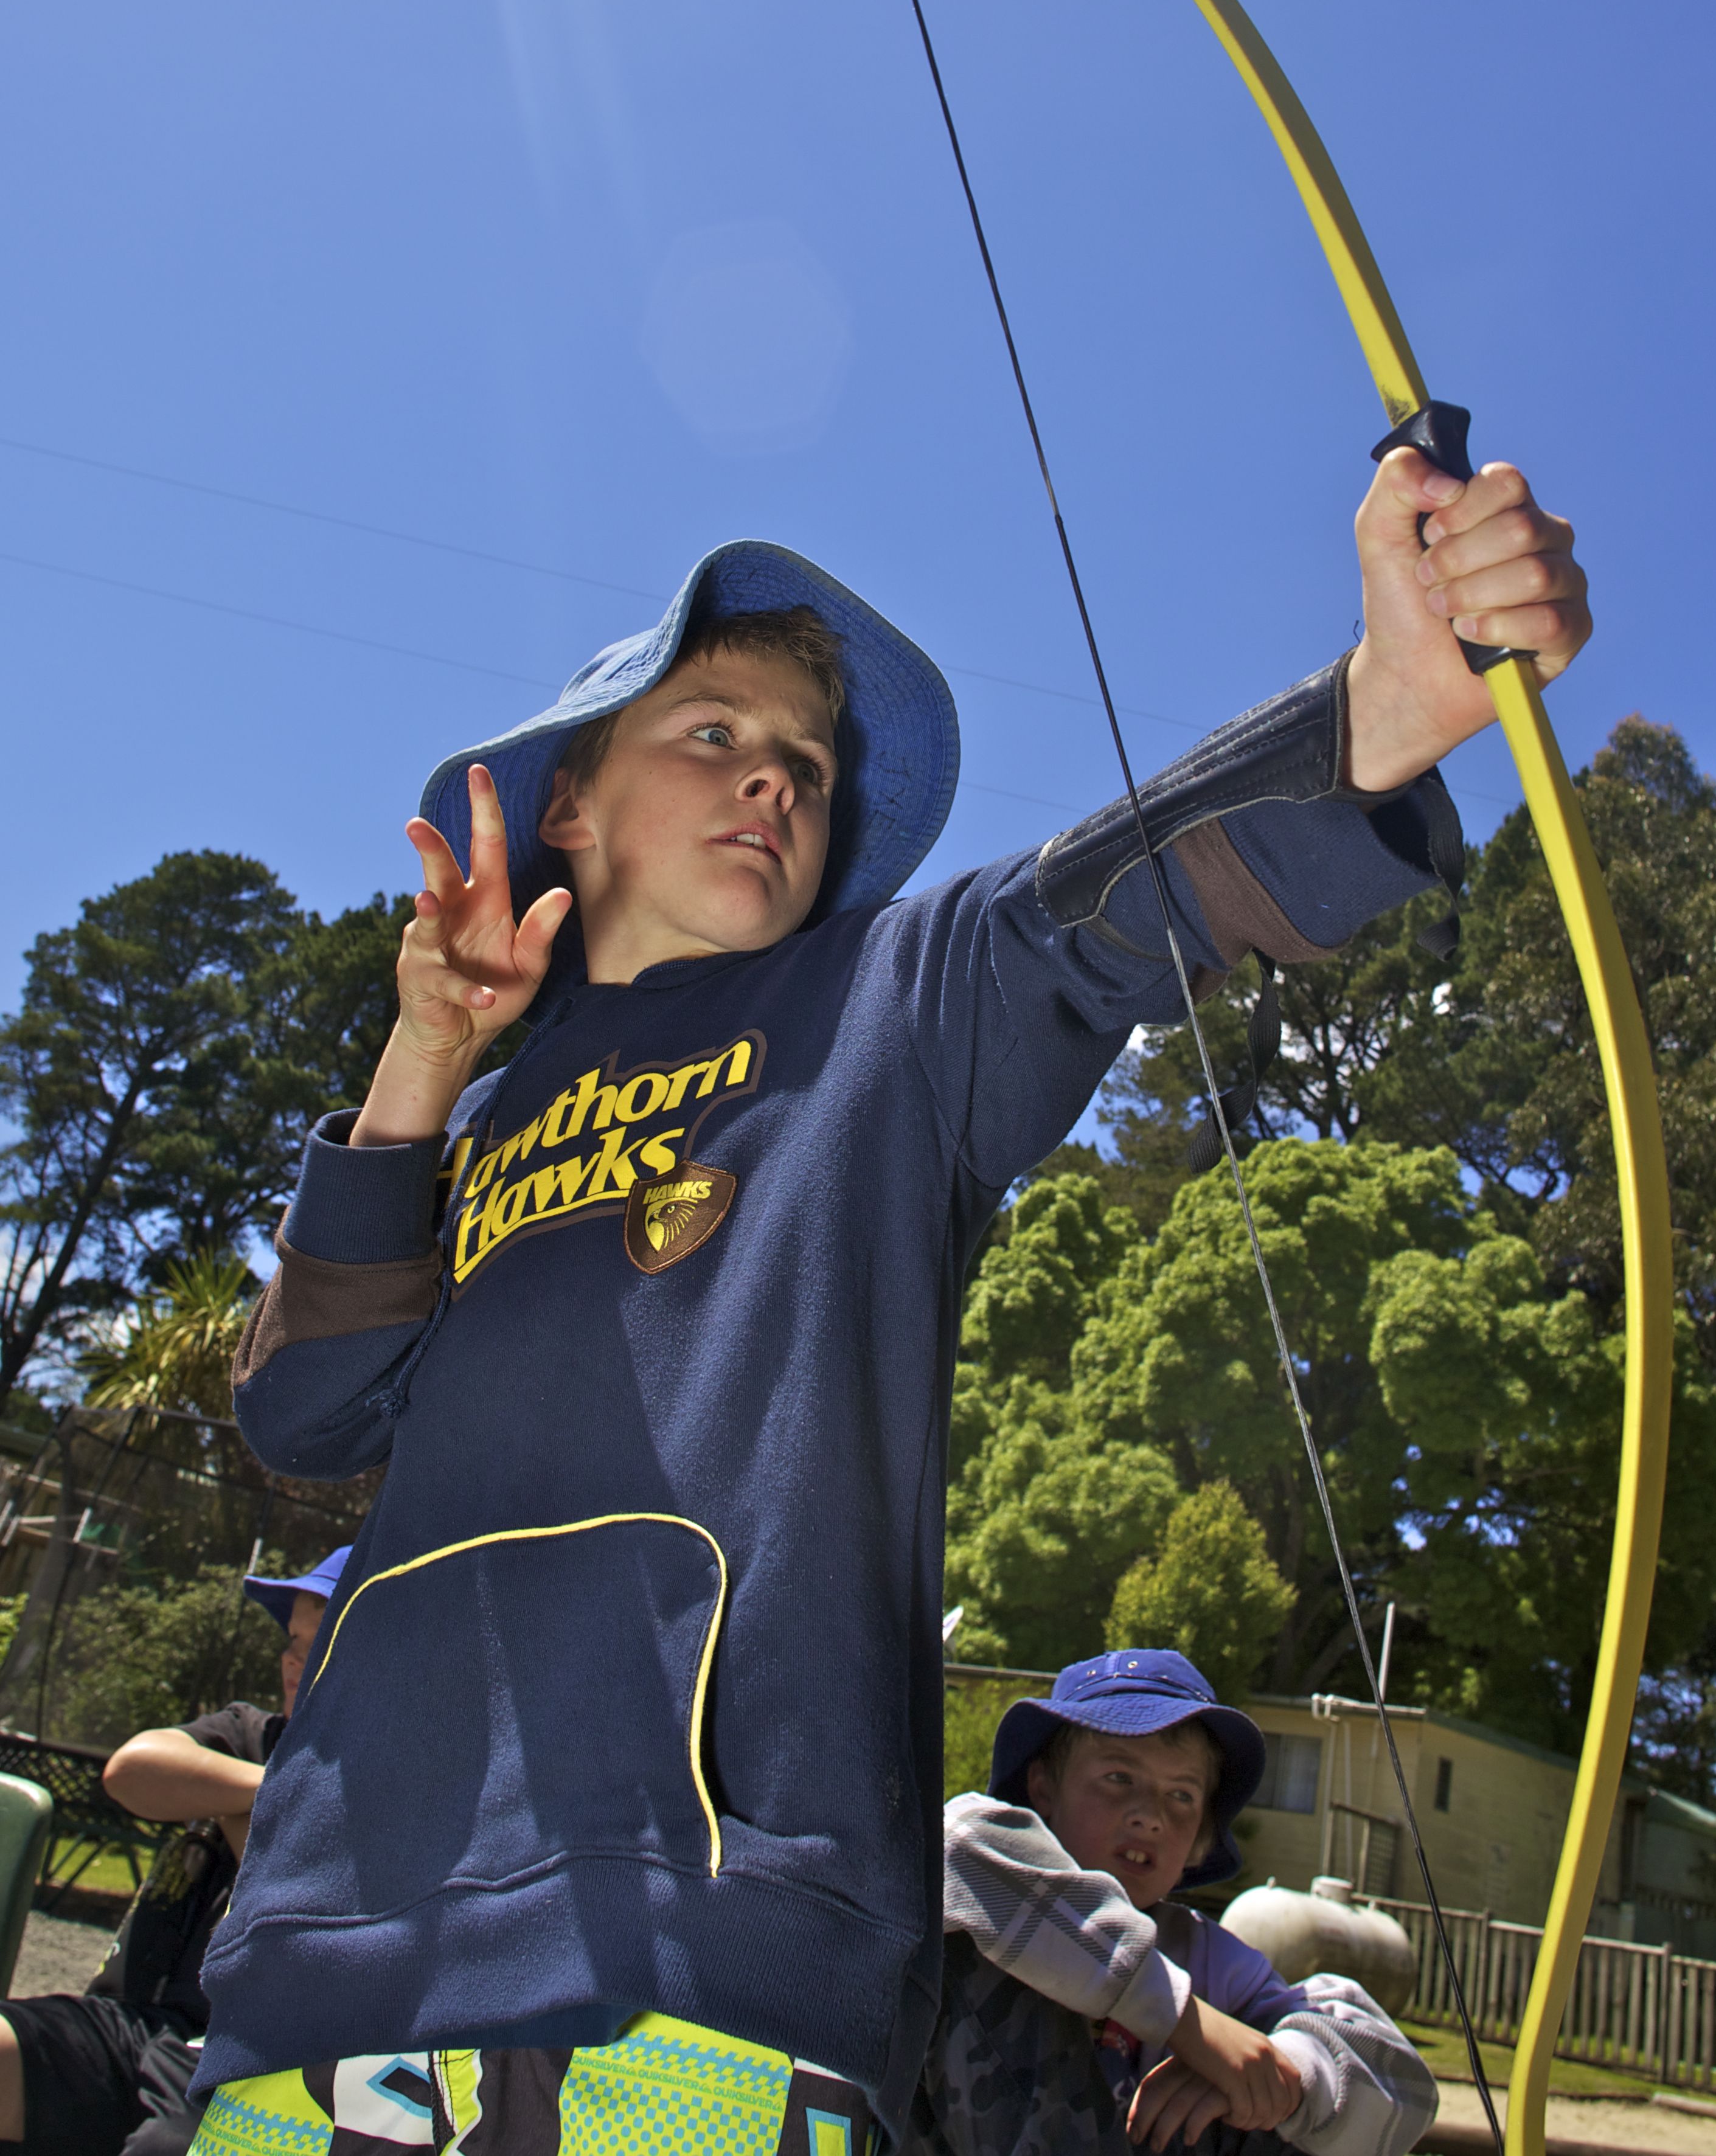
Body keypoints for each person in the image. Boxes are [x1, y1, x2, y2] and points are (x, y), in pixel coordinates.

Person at [190, 456, 1589, 2153]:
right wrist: (422, 1060)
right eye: (714, 731)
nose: (774, 780)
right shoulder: (466, 1124)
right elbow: (305, 1412)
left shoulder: (890, 1003)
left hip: (698, 1980)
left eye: (808, 764)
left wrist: (1384, 702)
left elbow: (1098, 911)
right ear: (570, 804)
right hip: (321, 1964)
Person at [916, 1651, 1437, 2156]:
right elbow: (955, 1843)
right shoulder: (978, 1882)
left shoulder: (1209, 1959)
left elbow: (1408, 2090)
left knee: (1294, 2090)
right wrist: (1187, 2023)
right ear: (1044, 1788)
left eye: (1182, 1795)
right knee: (974, 1946)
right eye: (1119, 1778)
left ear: (1200, 1835)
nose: (1150, 1815)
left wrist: (1281, 2071)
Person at [0, 1549, 346, 2156]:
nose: (294, 1658)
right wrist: (271, 1789)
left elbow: (286, 1904)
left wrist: (224, 1796)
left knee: (166, 2146)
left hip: (238, 2058)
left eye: (319, 1643)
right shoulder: (251, 1734)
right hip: (127, 2023)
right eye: (292, 1639)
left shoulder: (375, 1790)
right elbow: (134, 1770)